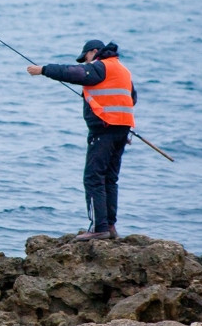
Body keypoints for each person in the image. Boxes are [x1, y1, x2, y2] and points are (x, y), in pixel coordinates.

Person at [27, 40, 136, 241]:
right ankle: (110, 226)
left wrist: (43, 70)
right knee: (109, 179)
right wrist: (122, 127)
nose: (86, 63)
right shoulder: (122, 70)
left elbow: (74, 73)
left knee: (94, 178)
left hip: (104, 129)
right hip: (121, 129)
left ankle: (99, 228)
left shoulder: (100, 66)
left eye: (86, 58)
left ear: (94, 52)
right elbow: (131, 98)